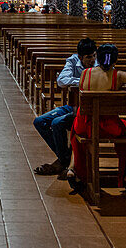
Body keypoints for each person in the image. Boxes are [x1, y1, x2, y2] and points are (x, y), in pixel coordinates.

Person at [67, 43, 126, 193]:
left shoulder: (85, 73)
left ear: (98, 58)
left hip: (84, 121)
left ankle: (73, 170)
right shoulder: (118, 75)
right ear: (115, 60)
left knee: (76, 131)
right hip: (106, 125)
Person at [33, 38, 96, 178]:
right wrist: (85, 81)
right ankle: (66, 159)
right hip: (73, 107)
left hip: (90, 110)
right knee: (40, 122)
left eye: (93, 56)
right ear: (80, 57)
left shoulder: (100, 63)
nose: (92, 60)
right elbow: (62, 81)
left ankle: (63, 162)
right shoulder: (72, 61)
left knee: (57, 123)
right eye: (88, 57)